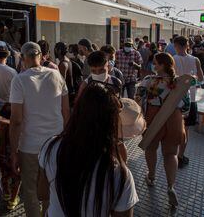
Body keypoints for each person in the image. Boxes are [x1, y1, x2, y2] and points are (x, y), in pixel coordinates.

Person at [38, 83, 139, 216]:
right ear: (112, 122)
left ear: (78, 112)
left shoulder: (50, 147)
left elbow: (42, 193)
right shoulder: (119, 173)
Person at [10, 42, 70, 217]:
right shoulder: (56, 75)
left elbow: (16, 120)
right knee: (52, 187)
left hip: (30, 146)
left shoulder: (19, 80)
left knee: (30, 191)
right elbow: (66, 111)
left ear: (23, 58)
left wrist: (13, 152)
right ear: (41, 56)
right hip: (55, 143)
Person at [136, 53, 189, 207]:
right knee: (171, 154)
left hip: (154, 117)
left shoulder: (148, 81)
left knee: (151, 148)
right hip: (175, 119)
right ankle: (171, 186)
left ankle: (151, 176)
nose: (153, 66)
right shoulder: (180, 82)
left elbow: (137, 98)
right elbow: (186, 106)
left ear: (162, 65)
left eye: (155, 63)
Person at [173, 36, 204, 168]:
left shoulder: (172, 59)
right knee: (185, 129)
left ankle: (172, 155)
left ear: (176, 46)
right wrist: (191, 81)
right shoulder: (195, 59)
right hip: (191, 98)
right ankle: (181, 156)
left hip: (175, 99)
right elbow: (201, 79)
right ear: (187, 45)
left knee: (174, 127)